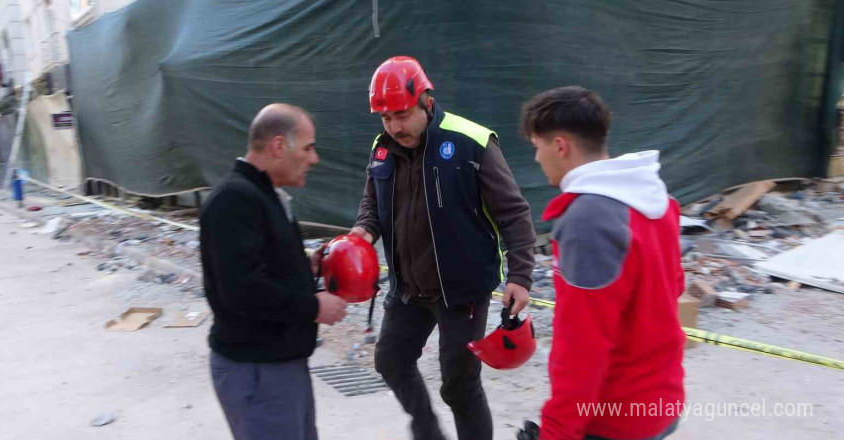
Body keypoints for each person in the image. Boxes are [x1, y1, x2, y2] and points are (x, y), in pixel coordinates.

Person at [351, 56, 537, 440]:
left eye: (401, 115)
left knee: (458, 385)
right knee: (390, 360)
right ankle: (428, 432)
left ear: (427, 102)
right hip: (408, 289)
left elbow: (514, 213)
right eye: (385, 118)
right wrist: (361, 234)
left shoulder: (472, 142)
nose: (394, 126)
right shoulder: (382, 148)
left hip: (462, 293)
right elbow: (372, 204)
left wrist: (520, 275)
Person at [517, 86, 685, 440]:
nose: (536, 159)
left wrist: (556, 433)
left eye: (537, 147)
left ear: (560, 145)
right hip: (660, 402)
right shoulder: (656, 199)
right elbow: (673, 291)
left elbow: (582, 347)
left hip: (613, 420)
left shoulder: (587, 222)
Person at [199, 103, 348, 440]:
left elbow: (259, 266)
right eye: (309, 148)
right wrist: (314, 307)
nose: (315, 159)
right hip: (258, 371)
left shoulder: (263, 195)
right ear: (279, 146)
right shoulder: (235, 200)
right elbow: (242, 290)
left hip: (279, 366)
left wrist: (305, 267)